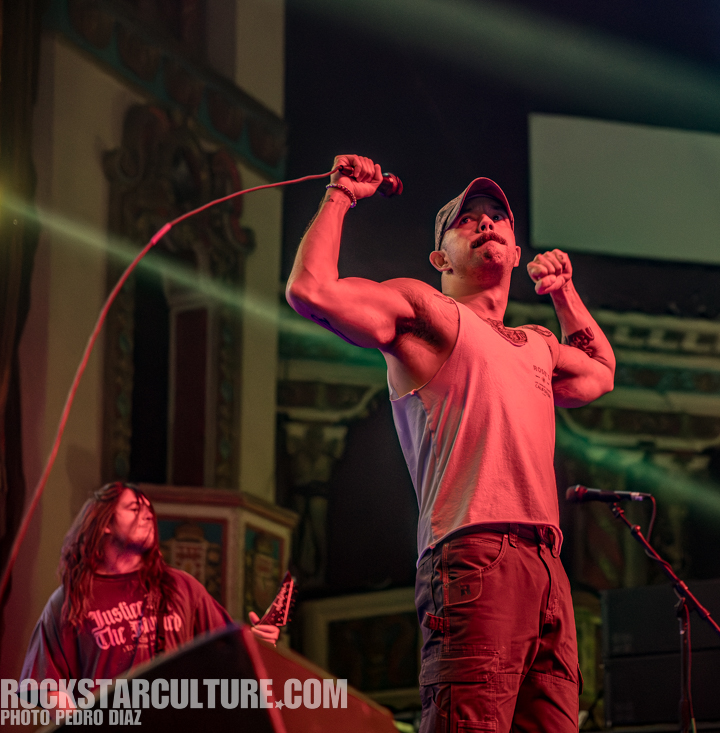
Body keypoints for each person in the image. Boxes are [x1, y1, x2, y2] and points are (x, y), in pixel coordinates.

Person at [286, 157, 616, 732]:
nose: (486, 223)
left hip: (547, 567)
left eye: (497, 218)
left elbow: (599, 373)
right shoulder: (428, 311)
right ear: (440, 258)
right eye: (467, 220)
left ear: (515, 251)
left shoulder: (535, 341)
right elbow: (311, 290)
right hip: (474, 554)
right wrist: (341, 194)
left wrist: (563, 293)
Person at [21, 482, 279, 704]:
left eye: (148, 510)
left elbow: (226, 657)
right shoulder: (71, 599)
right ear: (104, 523)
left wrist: (258, 645)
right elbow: (43, 684)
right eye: (134, 509)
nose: (147, 515)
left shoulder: (183, 587)